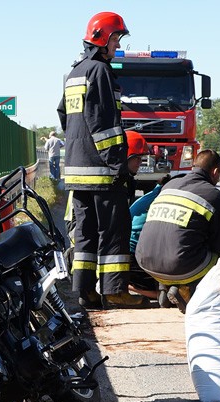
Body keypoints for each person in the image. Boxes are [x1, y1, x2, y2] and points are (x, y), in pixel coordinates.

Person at [57, 11, 146, 310]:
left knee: (84, 233)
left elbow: (64, 116)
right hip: (102, 170)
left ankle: (85, 291)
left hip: (77, 170)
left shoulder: (74, 73)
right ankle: (114, 291)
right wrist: (117, 165)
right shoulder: (101, 72)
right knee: (113, 231)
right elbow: (104, 124)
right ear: (102, 38)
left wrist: (78, 146)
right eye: (116, 39)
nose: (118, 46)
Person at [135, 150, 220, 313]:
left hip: (145, 262)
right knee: (217, 259)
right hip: (180, 267)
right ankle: (185, 290)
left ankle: (165, 287)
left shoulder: (169, 185)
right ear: (215, 172)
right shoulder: (214, 195)